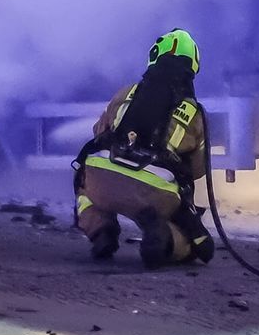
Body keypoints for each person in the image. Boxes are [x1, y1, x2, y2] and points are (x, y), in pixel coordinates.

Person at [73, 28, 215, 268]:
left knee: (83, 187)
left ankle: (101, 231)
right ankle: (163, 238)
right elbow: (198, 170)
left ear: (155, 56)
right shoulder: (194, 111)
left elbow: (99, 132)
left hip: (102, 181)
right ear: (193, 66)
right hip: (154, 194)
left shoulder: (127, 92)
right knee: (191, 241)